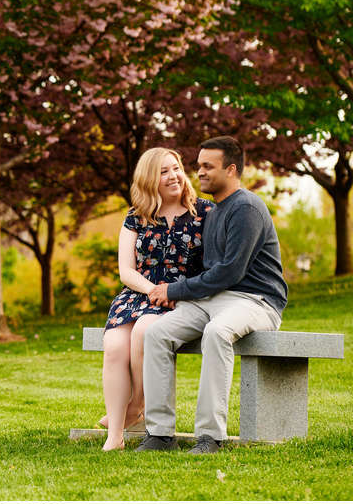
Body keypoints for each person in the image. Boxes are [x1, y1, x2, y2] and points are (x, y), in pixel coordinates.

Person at [135, 136, 288, 455]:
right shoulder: (215, 211)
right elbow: (209, 272)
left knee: (217, 333)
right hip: (215, 299)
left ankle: (209, 437)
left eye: (208, 166)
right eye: (199, 165)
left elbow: (230, 272)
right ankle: (160, 434)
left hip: (256, 300)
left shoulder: (246, 207)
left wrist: (173, 290)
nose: (199, 172)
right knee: (158, 333)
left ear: (231, 169)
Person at [98, 147, 214, 451]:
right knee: (113, 348)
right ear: (150, 179)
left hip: (180, 297)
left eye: (175, 168)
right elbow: (125, 270)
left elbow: (212, 266)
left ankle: (135, 406)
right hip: (138, 293)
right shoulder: (136, 216)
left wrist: (174, 292)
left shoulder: (204, 212)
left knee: (144, 332)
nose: (174, 176)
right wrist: (152, 290)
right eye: (164, 171)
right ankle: (116, 435)